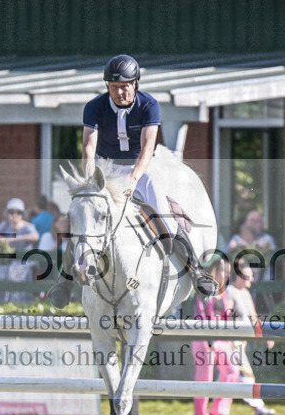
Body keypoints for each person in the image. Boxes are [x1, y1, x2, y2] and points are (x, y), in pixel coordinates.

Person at [47, 54, 217, 308]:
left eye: (125, 86)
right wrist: (92, 179)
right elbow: (88, 147)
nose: (120, 92)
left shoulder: (149, 105)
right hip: (107, 167)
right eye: (114, 87)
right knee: (86, 217)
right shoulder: (94, 106)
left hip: (143, 168)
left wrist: (134, 178)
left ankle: (196, 271)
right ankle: (65, 281)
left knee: (162, 213)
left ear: (135, 83)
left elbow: (149, 147)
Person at [224, 256, 276, 415]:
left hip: (241, 341)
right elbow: (225, 315)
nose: (252, 279)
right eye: (248, 275)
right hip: (232, 341)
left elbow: (253, 316)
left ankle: (220, 411)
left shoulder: (245, 292)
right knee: (246, 374)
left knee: (229, 377)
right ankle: (259, 409)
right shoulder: (230, 291)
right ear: (239, 276)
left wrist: (265, 334)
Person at [191, 259, 238, 415]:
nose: (226, 275)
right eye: (223, 271)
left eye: (228, 272)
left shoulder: (223, 292)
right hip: (203, 338)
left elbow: (226, 317)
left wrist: (230, 338)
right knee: (205, 377)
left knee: (232, 371)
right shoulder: (203, 289)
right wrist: (209, 339)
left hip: (221, 338)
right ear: (215, 271)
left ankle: (220, 410)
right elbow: (200, 314)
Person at [0, 198, 40, 303]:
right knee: (1, 278)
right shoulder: (4, 225)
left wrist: (14, 238)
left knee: (18, 281)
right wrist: (0, 239)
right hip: (6, 261)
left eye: (18, 212)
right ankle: (1, 306)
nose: (14, 215)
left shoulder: (28, 226)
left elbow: (35, 236)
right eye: (11, 212)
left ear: (22, 214)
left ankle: (20, 307)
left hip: (22, 262)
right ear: (7, 213)